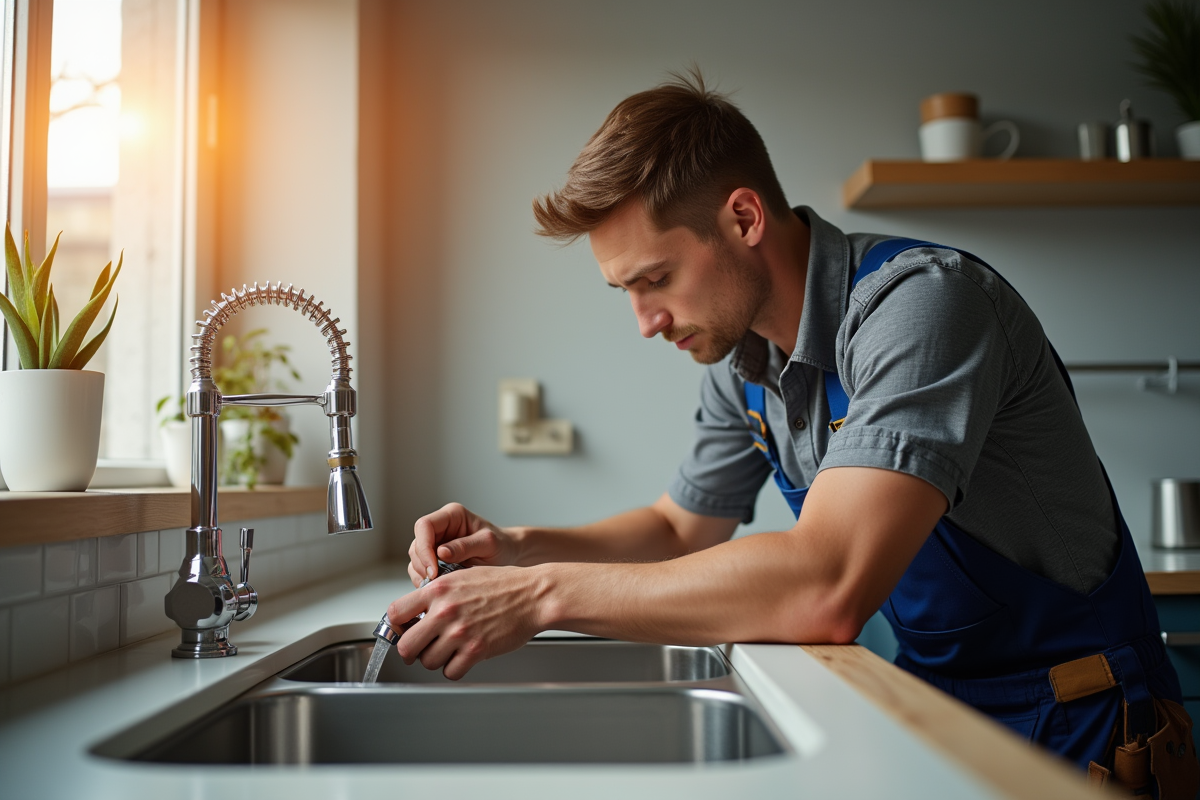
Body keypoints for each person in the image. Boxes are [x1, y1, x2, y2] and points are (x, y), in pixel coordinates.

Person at [387, 71, 1198, 796]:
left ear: (743, 218)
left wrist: (540, 596)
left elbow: (827, 585)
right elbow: (679, 529)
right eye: (625, 291)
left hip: (1084, 725)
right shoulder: (740, 360)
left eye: (656, 279)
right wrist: (516, 548)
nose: (645, 321)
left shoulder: (922, 306)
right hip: (938, 708)